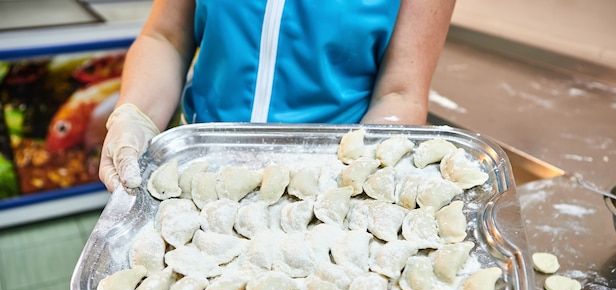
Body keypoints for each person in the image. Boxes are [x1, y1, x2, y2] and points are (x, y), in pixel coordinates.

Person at [99, 0, 456, 193]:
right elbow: (165, 38)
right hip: (198, 174)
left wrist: (353, 187)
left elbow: (400, 92)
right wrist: (134, 116)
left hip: (326, 182)